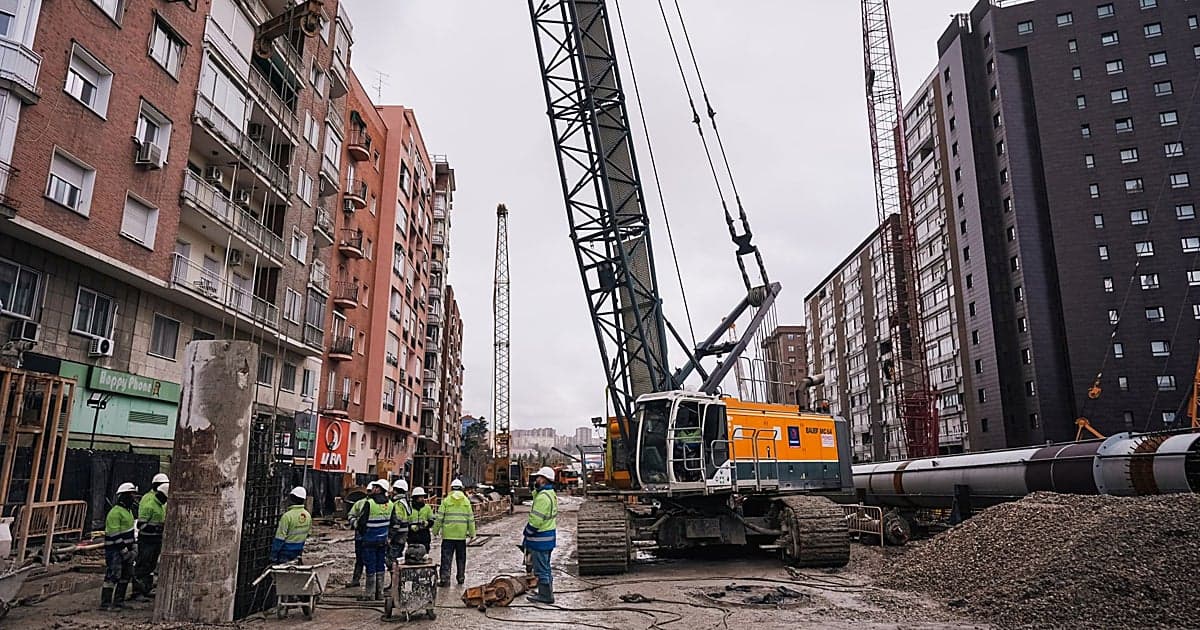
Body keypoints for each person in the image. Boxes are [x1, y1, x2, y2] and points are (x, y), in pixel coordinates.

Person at [524, 467, 559, 604]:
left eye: (538, 478)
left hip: (540, 539)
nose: (536, 480)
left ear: (544, 480)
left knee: (541, 569)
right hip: (547, 538)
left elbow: (536, 521)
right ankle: (546, 592)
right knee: (545, 566)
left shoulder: (543, 498)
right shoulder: (550, 494)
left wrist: (527, 532)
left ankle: (545, 596)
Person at [432, 478, 476, 587]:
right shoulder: (466, 502)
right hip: (461, 536)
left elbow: (439, 518)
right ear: (461, 488)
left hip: (448, 536)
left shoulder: (446, 501)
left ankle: (445, 580)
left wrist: (435, 531)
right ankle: (460, 577)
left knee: (446, 558)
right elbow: (470, 519)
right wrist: (472, 534)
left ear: (451, 488)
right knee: (461, 558)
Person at [102, 483, 138, 610]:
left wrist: (133, 547)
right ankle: (105, 603)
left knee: (125, 576)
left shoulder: (128, 512)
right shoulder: (115, 513)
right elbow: (114, 534)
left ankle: (119, 601)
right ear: (124, 496)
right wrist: (124, 551)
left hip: (125, 550)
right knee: (112, 576)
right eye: (131, 495)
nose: (134, 498)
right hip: (115, 551)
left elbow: (130, 531)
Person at [132, 473, 168, 599]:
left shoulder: (161, 501)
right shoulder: (149, 500)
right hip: (147, 539)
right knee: (143, 564)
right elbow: (141, 524)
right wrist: (157, 527)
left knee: (151, 565)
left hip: (156, 538)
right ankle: (137, 591)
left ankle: (146, 589)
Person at [358, 480, 392, 601]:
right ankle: (380, 593)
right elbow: (394, 522)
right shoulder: (390, 504)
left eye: (374, 487)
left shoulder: (370, 503)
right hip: (383, 540)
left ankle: (369, 594)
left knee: (370, 565)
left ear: (378, 489)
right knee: (380, 564)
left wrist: (363, 534)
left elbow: (361, 523)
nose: (372, 489)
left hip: (369, 539)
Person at [270, 486, 312, 563]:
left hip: (285, 552)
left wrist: (273, 555)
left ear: (292, 499)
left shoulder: (287, 516)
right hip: (298, 551)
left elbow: (279, 539)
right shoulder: (308, 515)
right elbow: (308, 533)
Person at [388, 479, 411, 567]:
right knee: (398, 557)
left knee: (392, 559)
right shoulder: (405, 502)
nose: (392, 492)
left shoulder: (398, 503)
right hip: (403, 535)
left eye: (394, 490)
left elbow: (397, 521)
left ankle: (394, 579)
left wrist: (390, 536)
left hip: (397, 535)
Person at [406, 487, 434, 556]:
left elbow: (432, 520)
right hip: (412, 536)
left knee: (425, 556)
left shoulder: (427, 508)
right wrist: (410, 526)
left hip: (424, 535)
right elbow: (405, 521)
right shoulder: (409, 508)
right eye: (420, 497)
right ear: (415, 498)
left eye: (423, 497)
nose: (422, 499)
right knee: (412, 555)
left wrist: (427, 523)